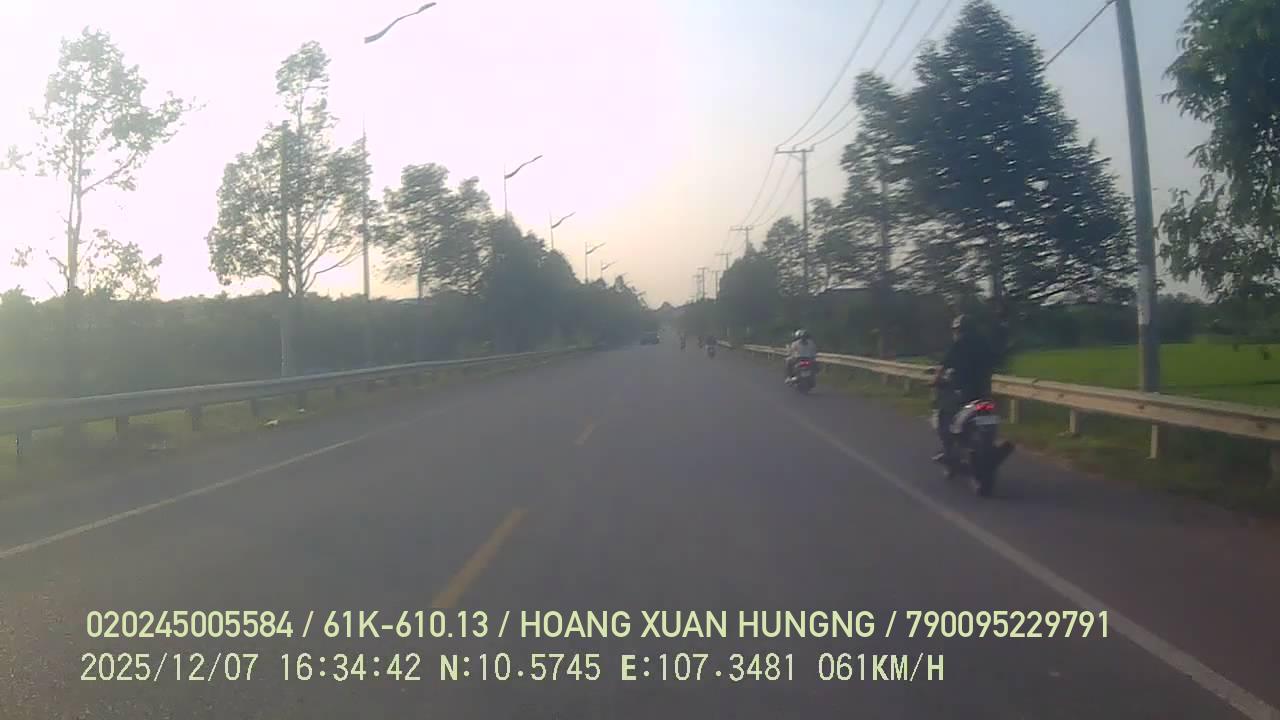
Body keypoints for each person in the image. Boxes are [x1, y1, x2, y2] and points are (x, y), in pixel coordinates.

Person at [932, 314, 996, 463]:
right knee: (988, 416)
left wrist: (936, 380)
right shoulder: (984, 343)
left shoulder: (959, 344)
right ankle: (985, 445)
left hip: (963, 392)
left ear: (959, 330)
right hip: (984, 392)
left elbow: (943, 365)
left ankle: (948, 451)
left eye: (956, 331)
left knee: (944, 415)